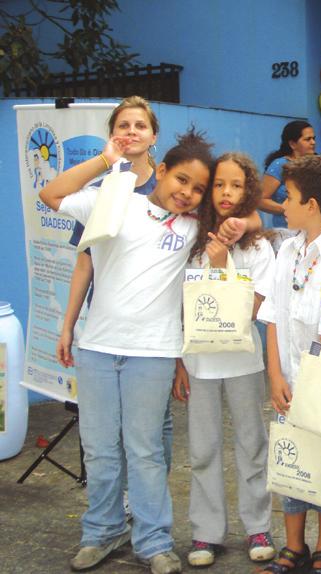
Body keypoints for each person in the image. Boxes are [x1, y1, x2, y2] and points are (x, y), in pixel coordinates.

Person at [40, 128, 248, 574]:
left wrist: (236, 228)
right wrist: (105, 159)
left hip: (152, 354)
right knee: (98, 448)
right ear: (162, 171)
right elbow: (52, 194)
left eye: (197, 188)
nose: (188, 193)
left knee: (145, 450)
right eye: (182, 181)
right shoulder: (117, 200)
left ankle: (153, 541)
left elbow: (247, 220)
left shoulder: (195, 229)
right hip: (96, 348)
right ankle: (101, 532)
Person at [56, 97, 176, 483]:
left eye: (139, 125)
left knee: (152, 433)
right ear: (112, 134)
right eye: (123, 126)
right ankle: (117, 511)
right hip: (106, 331)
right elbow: (85, 262)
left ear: (153, 135)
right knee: (108, 435)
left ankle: (143, 504)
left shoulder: (171, 189)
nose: (131, 133)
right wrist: (68, 325)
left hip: (156, 338)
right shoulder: (104, 188)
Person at [173, 153, 275, 567]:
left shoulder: (258, 247)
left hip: (244, 363)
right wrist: (180, 362)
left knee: (252, 444)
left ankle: (258, 525)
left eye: (235, 185)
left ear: (248, 190)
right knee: (202, 448)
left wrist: (221, 267)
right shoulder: (190, 238)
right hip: (199, 363)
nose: (226, 193)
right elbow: (178, 307)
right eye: (218, 185)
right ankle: (205, 532)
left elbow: (252, 309)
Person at [258, 155, 321, 574]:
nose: (282, 203)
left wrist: (310, 384)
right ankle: (293, 544)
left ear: (312, 205)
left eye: (289, 197)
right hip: (289, 379)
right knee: (289, 458)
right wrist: (276, 375)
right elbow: (273, 315)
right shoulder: (288, 250)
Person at [261, 120, 316, 235]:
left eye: (313, 138)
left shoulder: (316, 165)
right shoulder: (280, 165)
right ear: (292, 144)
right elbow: (260, 200)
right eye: (307, 139)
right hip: (286, 232)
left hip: (312, 231)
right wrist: (288, 209)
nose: (313, 142)